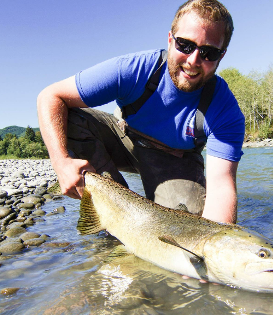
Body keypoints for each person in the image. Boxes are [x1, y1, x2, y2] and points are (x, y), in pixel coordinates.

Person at [37, 0, 245, 224]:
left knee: (187, 226)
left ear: (221, 55)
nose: (193, 60)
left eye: (208, 52)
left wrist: (215, 243)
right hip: (125, 141)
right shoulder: (134, 70)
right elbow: (49, 96)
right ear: (170, 40)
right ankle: (116, 215)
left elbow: (222, 187)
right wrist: (61, 163)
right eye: (185, 45)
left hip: (175, 160)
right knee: (70, 119)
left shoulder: (225, 110)